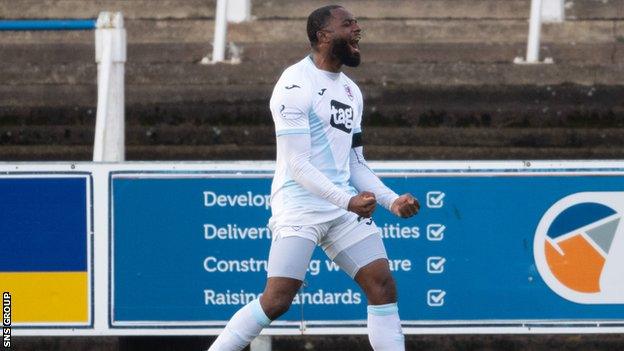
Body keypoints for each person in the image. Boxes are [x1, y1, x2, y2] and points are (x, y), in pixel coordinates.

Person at [208, 5, 419, 351]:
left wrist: (391, 200)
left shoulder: (352, 92)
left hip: (340, 210)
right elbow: (297, 166)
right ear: (323, 36)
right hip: (300, 206)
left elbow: (355, 163)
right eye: (348, 24)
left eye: (356, 23)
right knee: (277, 300)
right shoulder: (294, 84)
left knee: (382, 286)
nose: (357, 29)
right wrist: (348, 200)